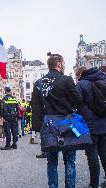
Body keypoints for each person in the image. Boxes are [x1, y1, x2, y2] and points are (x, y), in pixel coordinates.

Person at [31, 52, 83, 188]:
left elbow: (35, 108)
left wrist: (37, 128)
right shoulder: (66, 80)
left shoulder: (38, 83)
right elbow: (78, 100)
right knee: (70, 161)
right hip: (67, 125)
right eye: (63, 63)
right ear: (59, 64)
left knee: (52, 162)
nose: (64, 65)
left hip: (49, 126)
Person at [76, 67, 106, 188]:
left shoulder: (81, 84)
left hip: (89, 126)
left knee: (92, 155)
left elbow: (77, 102)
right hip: (104, 124)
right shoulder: (103, 80)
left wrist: (86, 116)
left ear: (80, 74)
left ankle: (94, 184)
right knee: (104, 154)